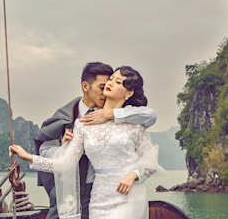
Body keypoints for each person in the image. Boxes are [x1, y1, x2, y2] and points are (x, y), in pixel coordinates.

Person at [11, 66, 165, 219]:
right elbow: (65, 164)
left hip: (129, 194)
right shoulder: (83, 124)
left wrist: (134, 175)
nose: (110, 83)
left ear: (129, 93)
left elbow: (151, 158)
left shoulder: (134, 122)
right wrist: (29, 157)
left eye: (117, 81)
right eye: (110, 80)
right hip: (99, 199)